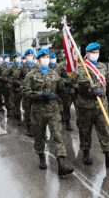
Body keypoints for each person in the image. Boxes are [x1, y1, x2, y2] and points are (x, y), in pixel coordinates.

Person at [22, 49, 74, 177]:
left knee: (57, 136)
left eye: (47, 57)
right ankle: (41, 157)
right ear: (38, 60)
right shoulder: (31, 75)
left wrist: (69, 84)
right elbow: (25, 92)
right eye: (43, 57)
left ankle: (61, 164)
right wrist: (41, 95)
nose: (46, 59)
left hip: (53, 110)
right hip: (38, 112)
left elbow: (61, 88)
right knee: (39, 137)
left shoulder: (54, 73)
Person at [76, 42, 109, 167]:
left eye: (97, 52)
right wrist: (92, 89)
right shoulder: (81, 66)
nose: (95, 54)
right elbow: (81, 81)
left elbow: (106, 83)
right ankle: (86, 153)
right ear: (87, 54)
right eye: (93, 52)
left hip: (101, 105)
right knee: (85, 131)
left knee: (105, 131)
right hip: (86, 106)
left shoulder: (102, 66)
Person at [49, 53, 74, 131]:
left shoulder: (60, 67)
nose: (53, 59)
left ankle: (67, 123)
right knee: (53, 109)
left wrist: (68, 81)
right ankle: (54, 126)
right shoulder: (46, 68)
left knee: (66, 108)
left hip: (62, 91)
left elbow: (66, 76)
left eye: (54, 58)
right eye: (51, 58)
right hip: (51, 92)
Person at [18, 48, 36, 136]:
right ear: (25, 57)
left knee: (37, 111)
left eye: (31, 56)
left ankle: (39, 130)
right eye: (29, 56)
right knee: (28, 111)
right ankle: (29, 129)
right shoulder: (21, 66)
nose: (30, 57)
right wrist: (22, 85)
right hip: (26, 92)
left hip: (35, 92)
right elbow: (16, 78)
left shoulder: (36, 66)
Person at [11, 52, 23, 124]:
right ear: (14, 59)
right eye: (17, 57)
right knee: (17, 104)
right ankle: (18, 117)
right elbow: (6, 76)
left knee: (25, 104)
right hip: (17, 89)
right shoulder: (11, 67)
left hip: (24, 88)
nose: (19, 59)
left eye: (19, 57)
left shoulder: (23, 66)